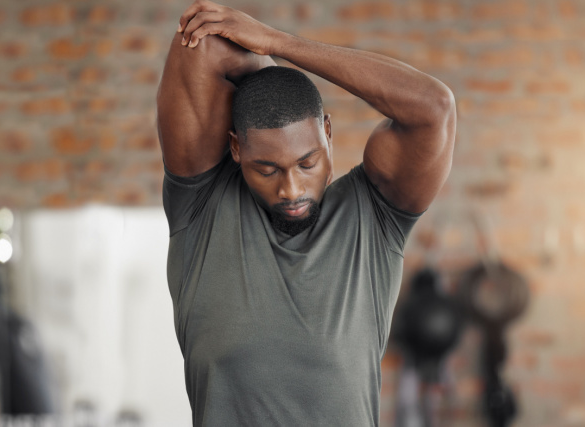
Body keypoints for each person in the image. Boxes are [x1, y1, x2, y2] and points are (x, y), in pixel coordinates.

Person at [156, 1, 456, 425]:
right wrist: (271, 80)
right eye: (267, 168)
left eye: (307, 163)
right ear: (238, 148)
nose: (291, 189)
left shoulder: (373, 217)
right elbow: (200, 46)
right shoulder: (203, 207)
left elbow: (434, 107)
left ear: (328, 134)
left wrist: (280, 43)